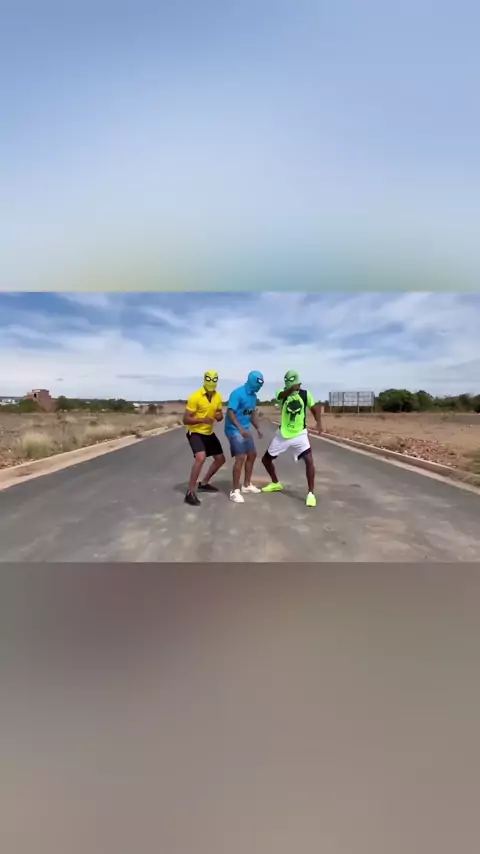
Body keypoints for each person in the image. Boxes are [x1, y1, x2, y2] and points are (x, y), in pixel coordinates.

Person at [261, 370, 322, 507]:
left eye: (295, 385)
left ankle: (310, 494)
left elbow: (314, 408)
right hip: (283, 434)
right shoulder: (282, 393)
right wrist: (290, 390)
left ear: (299, 383)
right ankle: (275, 483)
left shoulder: (305, 395)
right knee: (266, 460)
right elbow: (281, 396)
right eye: (289, 385)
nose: (293, 388)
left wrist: (319, 423)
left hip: (300, 434)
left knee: (309, 461)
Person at [183, 370, 226, 506]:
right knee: (200, 458)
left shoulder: (218, 397)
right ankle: (190, 493)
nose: (211, 383)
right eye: (209, 380)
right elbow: (185, 419)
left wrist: (219, 416)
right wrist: (201, 420)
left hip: (208, 433)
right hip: (195, 432)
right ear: (205, 380)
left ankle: (204, 483)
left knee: (220, 459)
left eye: (214, 380)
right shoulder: (195, 397)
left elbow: (219, 415)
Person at [225, 370, 265, 503]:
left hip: (245, 430)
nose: (259, 388)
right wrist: (239, 428)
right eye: (258, 385)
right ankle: (234, 491)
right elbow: (230, 412)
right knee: (240, 457)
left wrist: (258, 428)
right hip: (233, 429)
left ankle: (246, 485)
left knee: (252, 454)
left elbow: (252, 413)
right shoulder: (237, 393)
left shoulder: (253, 397)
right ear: (252, 382)